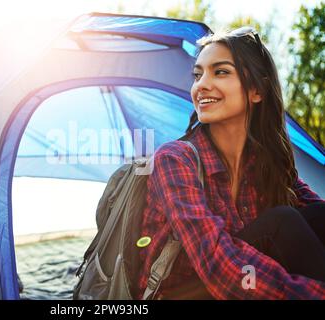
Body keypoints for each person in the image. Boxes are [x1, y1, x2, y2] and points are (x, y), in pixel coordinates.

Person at [137, 27, 325, 300]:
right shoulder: (175, 160)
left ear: (256, 91)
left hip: (238, 277)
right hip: (182, 292)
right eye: (198, 74)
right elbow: (217, 264)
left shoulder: (263, 160)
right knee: (281, 222)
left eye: (220, 71)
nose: (201, 85)